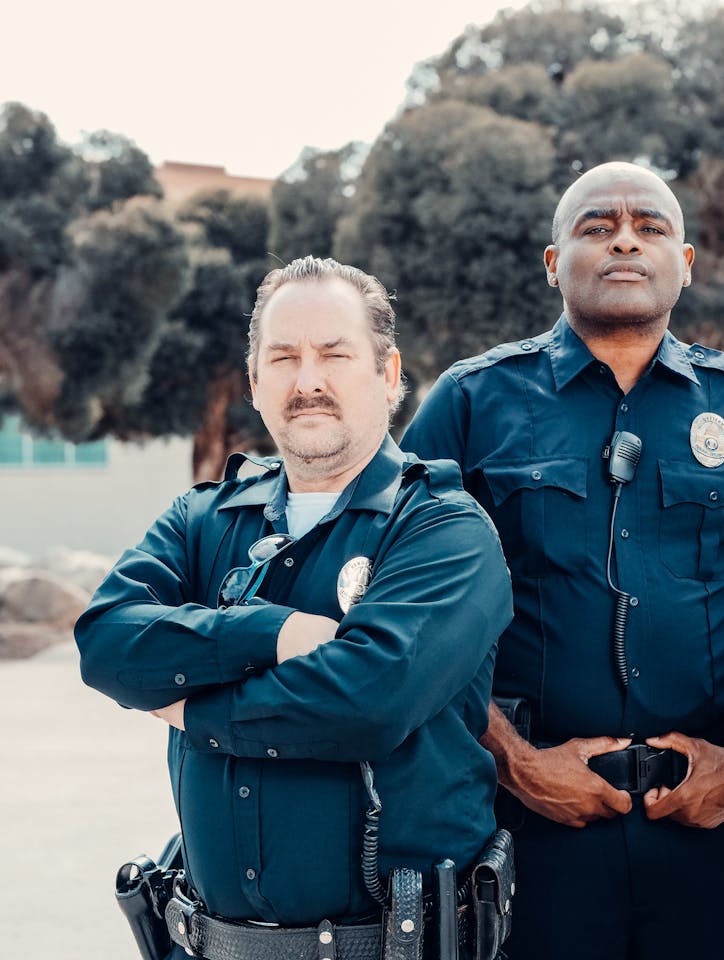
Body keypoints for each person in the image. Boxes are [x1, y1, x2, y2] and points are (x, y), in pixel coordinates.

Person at [399, 161, 724, 960]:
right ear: (553, 263)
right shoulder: (472, 404)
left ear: (684, 262)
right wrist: (509, 757)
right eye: (595, 226)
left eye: (650, 227)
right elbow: (401, 613)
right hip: (524, 829)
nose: (623, 241)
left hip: (704, 827)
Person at [76, 256, 513, 960]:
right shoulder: (202, 521)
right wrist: (273, 632)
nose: (307, 380)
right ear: (255, 382)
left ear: (389, 372)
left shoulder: (445, 530)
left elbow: (366, 698)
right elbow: (106, 641)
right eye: (283, 357)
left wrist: (192, 706)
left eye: (334, 355)